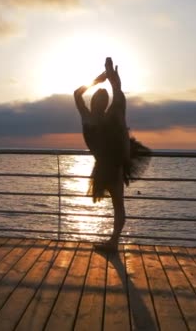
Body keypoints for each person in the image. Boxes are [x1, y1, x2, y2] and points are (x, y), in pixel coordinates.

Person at [74, 57, 150, 251]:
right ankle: (114, 241)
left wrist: (99, 80)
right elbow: (117, 97)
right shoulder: (105, 117)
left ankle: (114, 242)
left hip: (111, 163)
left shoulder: (95, 117)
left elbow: (78, 94)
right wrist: (111, 81)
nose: (96, 102)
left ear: (95, 102)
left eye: (98, 100)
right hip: (110, 163)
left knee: (118, 204)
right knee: (118, 204)